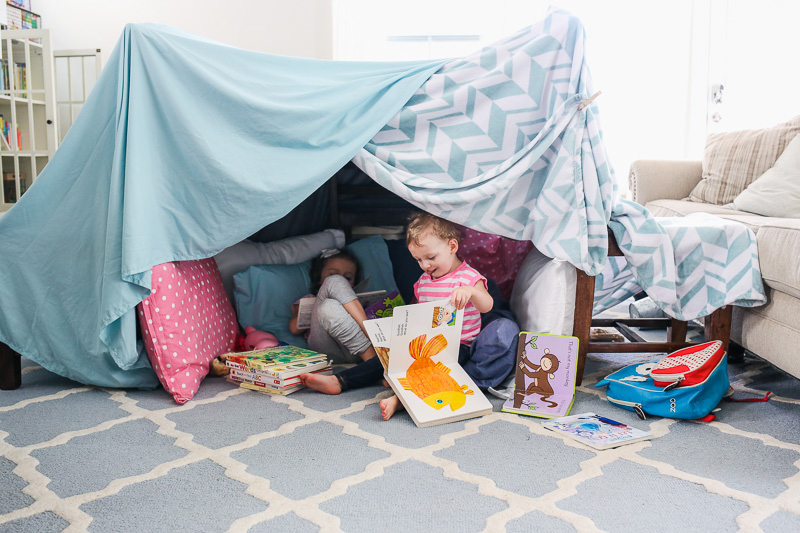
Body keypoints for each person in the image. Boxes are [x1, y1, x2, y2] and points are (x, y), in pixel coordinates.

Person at [301, 212, 518, 421]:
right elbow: (417, 311)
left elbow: (488, 306)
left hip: (458, 345)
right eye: (418, 260)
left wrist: (471, 292)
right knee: (385, 359)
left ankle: (400, 400)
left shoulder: (468, 277)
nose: (425, 266)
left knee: (434, 372)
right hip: (423, 342)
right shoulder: (423, 281)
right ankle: (340, 380)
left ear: (452, 247)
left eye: (430, 258)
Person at [290, 249, 378, 365]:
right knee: (327, 306)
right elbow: (293, 328)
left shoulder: (358, 303)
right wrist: (314, 310)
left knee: (329, 306)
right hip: (325, 350)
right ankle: (372, 339)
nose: (343, 281)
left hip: (357, 352)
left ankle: (373, 363)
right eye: (333, 273)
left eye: (348, 278)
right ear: (319, 278)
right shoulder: (309, 298)